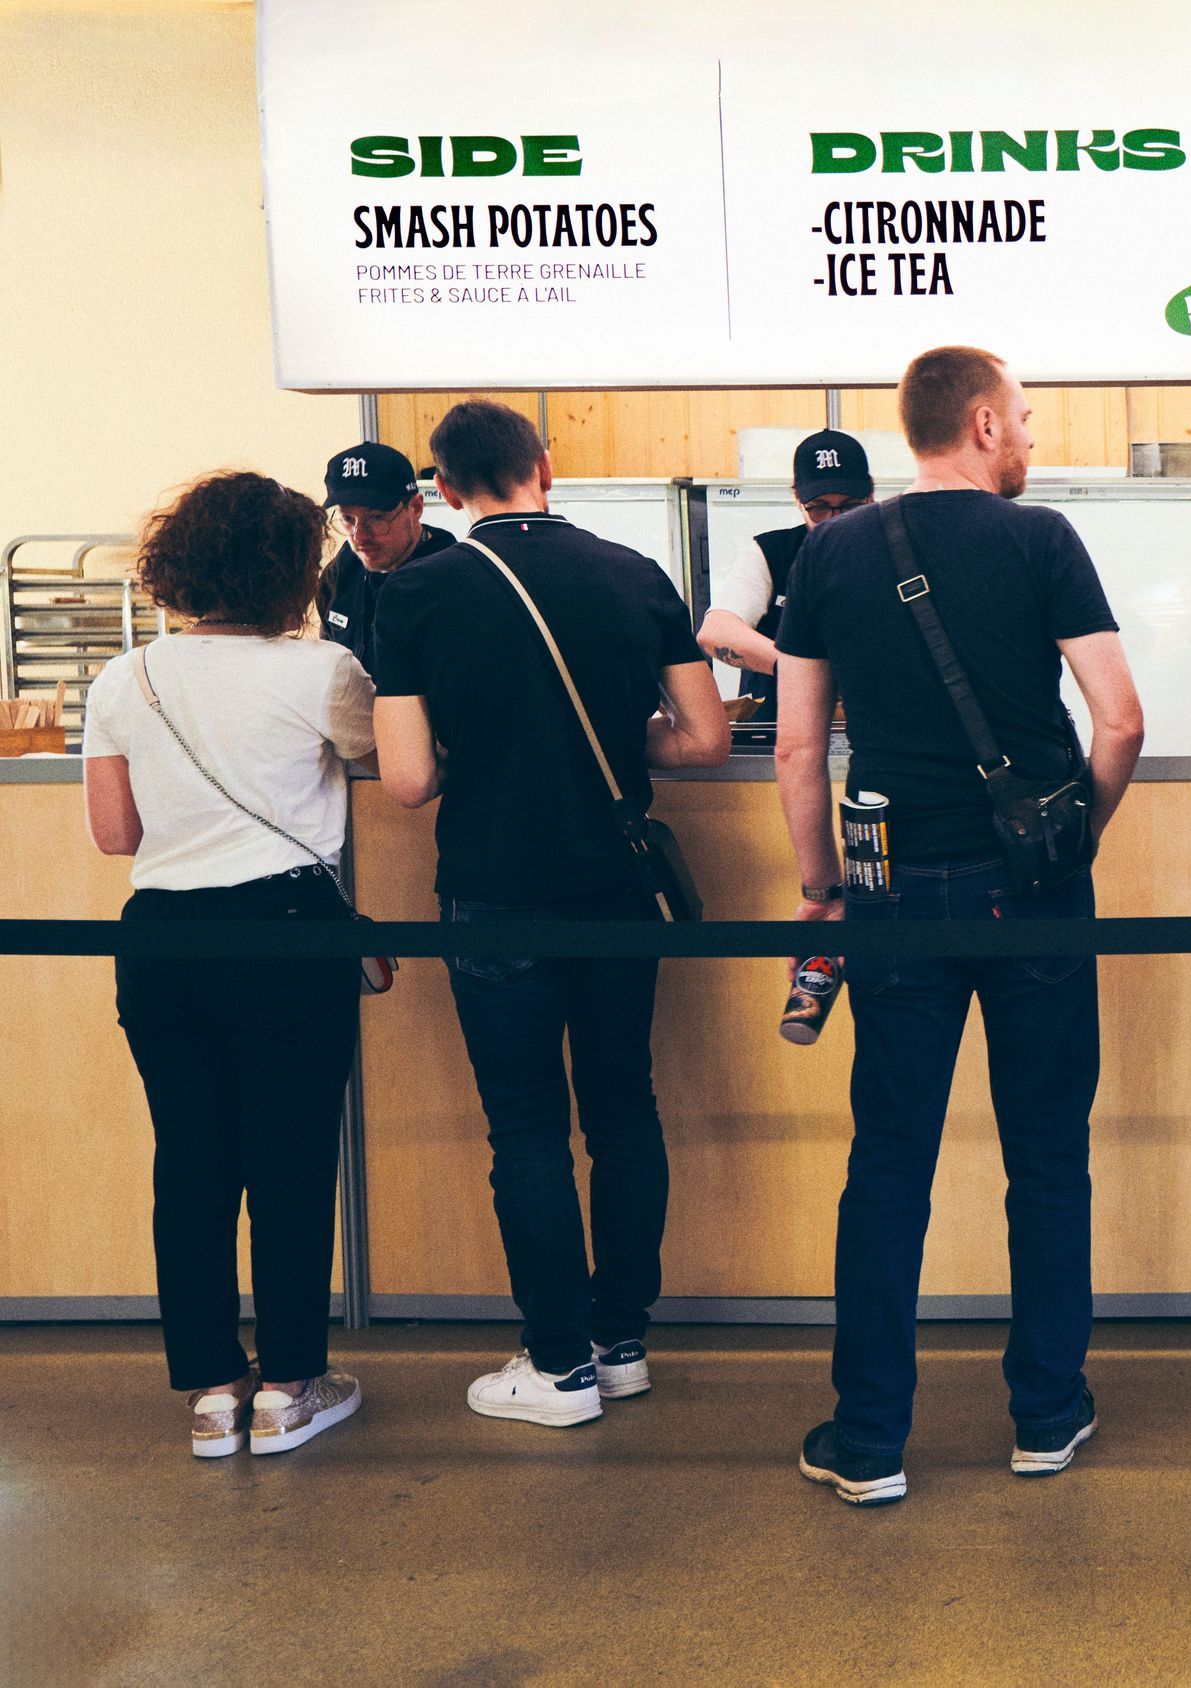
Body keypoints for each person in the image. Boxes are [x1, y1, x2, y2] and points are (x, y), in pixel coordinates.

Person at [772, 347, 1145, 1506]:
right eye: (1025, 418)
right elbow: (1121, 719)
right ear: (983, 423)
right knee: (1047, 1155)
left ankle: (871, 1434)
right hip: (1034, 891)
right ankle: (1046, 1410)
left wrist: (819, 884)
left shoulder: (830, 551)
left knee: (888, 1162)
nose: (1029, 437)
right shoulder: (1041, 543)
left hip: (892, 892)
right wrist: (1074, 836)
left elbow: (796, 743)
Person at [371, 399, 731, 1428]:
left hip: (494, 893)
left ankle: (557, 1360)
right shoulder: (635, 575)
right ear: (547, 465)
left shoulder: (418, 593)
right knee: (623, 1109)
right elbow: (703, 737)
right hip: (616, 891)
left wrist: (472, 753)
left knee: (525, 1125)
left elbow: (403, 779)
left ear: (442, 489)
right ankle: (622, 1342)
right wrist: (612, 751)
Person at [83, 471, 374, 1459]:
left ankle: (214, 1389)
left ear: (181, 561)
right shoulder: (325, 668)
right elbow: (384, 764)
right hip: (288, 930)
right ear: (291, 567)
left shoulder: (127, 678)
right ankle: (292, 1382)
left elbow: (115, 833)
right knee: (292, 1160)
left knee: (193, 1160)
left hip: (162, 936)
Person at [697, 429, 876, 719]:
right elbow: (715, 631)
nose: (834, 520)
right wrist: (800, 668)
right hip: (779, 730)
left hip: (874, 734)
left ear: (871, 494)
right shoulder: (771, 553)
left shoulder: (895, 552)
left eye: (849, 506)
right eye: (819, 508)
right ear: (797, 498)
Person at [314, 440, 454, 666]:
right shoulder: (339, 574)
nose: (360, 536)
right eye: (348, 519)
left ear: (416, 508)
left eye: (377, 518)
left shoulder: (452, 579)